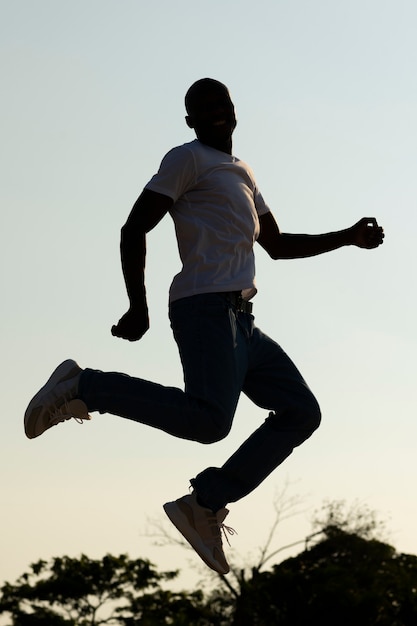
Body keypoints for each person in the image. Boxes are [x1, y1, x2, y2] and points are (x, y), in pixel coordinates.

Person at [24, 78, 384, 575]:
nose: (216, 111)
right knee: (209, 421)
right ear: (191, 120)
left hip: (242, 321)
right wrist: (138, 304)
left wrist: (347, 237)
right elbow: (134, 227)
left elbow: (277, 247)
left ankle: (205, 504)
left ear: (235, 113)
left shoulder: (242, 172)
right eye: (203, 107)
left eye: (222, 104)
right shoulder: (187, 158)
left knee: (301, 411)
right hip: (203, 308)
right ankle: (84, 385)